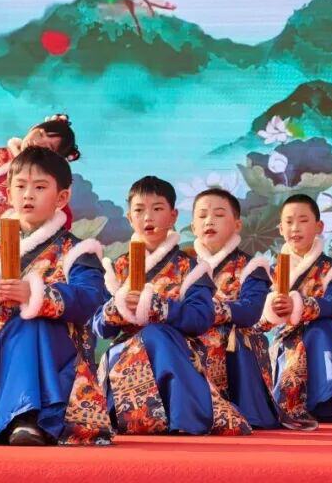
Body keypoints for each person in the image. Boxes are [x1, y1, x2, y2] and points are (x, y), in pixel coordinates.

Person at [0, 147, 111, 445]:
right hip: (3, 344)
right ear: (8, 193)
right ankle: (19, 419)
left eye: (40, 187)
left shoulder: (77, 250)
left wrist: (37, 295)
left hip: (59, 350)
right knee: (21, 328)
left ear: (62, 198)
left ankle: (29, 418)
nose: (28, 195)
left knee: (34, 324)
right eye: (20, 187)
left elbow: (91, 297)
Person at [93, 176, 250, 436]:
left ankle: (182, 417)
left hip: (176, 350)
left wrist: (158, 307)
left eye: (157, 209)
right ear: (130, 218)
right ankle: (171, 416)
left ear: (173, 216)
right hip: (126, 354)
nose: (148, 217)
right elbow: (100, 328)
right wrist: (118, 307)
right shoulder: (116, 268)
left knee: (157, 333)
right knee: (151, 335)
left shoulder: (191, 268)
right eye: (139, 210)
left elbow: (200, 318)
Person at [190, 188, 280, 429]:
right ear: (193, 227)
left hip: (234, 340)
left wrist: (205, 311)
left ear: (237, 224)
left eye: (219, 215)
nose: (209, 221)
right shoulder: (183, 264)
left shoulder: (253, 266)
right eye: (202, 216)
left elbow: (250, 310)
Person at [262, 194, 332, 429]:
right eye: (289, 222)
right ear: (280, 229)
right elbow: (260, 320)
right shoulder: (272, 272)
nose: (295, 228)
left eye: (303, 220)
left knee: (320, 329)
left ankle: (330, 396)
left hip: (329, 337)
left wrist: (299, 306)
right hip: (286, 339)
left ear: (319, 226)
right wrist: (273, 310)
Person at [0, 114, 79, 239]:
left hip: (31, 243)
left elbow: (63, 217)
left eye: (48, 147)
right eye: (40, 134)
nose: (37, 142)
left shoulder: (52, 177)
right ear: (34, 127)